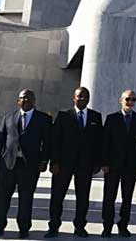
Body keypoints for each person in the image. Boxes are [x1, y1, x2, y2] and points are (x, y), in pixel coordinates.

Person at [0, 89, 52, 238]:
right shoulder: (8, 117)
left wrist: (44, 160)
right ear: (18, 101)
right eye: (23, 98)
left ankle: (23, 228)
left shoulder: (43, 119)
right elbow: (0, 140)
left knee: (26, 197)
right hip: (8, 163)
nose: (25, 101)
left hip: (29, 165)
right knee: (3, 197)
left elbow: (47, 143)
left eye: (29, 98)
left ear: (34, 101)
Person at [45, 87, 103, 238]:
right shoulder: (64, 116)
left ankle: (80, 227)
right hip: (63, 164)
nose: (82, 99)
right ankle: (53, 227)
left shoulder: (96, 117)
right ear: (74, 98)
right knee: (57, 196)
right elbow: (55, 140)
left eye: (85, 96)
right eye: (79, 96)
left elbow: (99, 142)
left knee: (83, 197)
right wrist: (54, 162)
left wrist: (97, 162)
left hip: (85, 164)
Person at [101, 89, 136, 237]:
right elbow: (105, 142)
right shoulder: (111, 118)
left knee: (127, 197)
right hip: (113, 165)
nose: (130, 102)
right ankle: (107, 226)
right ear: (121, 100)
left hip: (131, 165)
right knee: (109, 197)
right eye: (128, 99)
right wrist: (105, 162)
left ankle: (123, 225)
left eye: (133, 99)